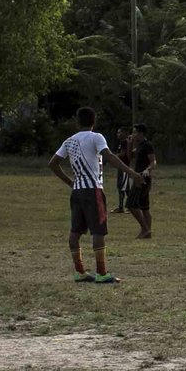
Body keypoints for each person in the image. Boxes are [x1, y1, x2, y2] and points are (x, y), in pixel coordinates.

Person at [49, 106, 117, 284]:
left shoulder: (69, 141)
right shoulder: (96, 137)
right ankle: (101, 273)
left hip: (77, 191)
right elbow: (108, 156)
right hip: (93, 189)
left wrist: (71, 182)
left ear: (77, 122)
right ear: (94, 121)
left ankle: (79, 271)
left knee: (75, 231)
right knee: (98, 230)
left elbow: (53, 163)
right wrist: (131, 173)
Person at [119, 123, 156, 240]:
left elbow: (153, 161)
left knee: (131, 204)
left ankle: (145, 229)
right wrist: (129, 145)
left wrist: (147, 169)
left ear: (141, 133)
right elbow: (130, 158)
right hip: (137, 176)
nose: (133, 134)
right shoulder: (138, 146)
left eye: (135, 132)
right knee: (145, 207)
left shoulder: (147, 145)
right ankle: (147, 233)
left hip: (142, 179)